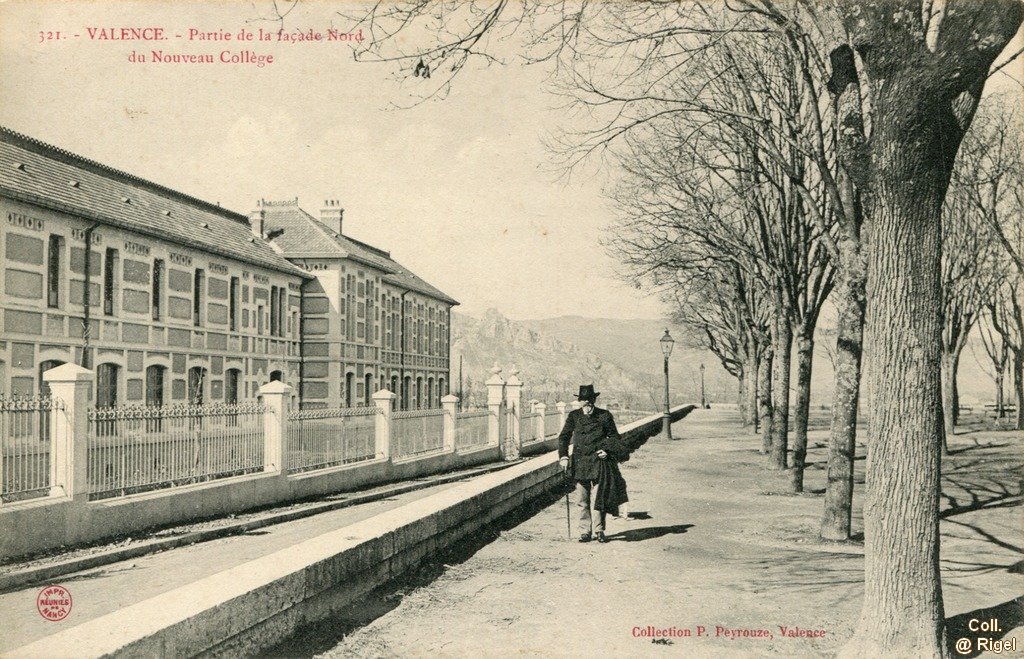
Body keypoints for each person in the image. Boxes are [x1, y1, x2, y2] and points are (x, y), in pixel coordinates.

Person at [558, 384, 629, 543]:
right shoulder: (574, 416)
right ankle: (585, 531)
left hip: (599, 462)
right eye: (584, 400)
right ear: (580, 401)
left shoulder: (604, 415)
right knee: (582, 499)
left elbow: (615, 438)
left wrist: (608, 452)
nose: (587, 404)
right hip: (580, 462)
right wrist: (563, 456)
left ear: (594, 400)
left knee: (599, 498)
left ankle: (599, 530)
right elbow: (563, 437)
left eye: (590, 400)